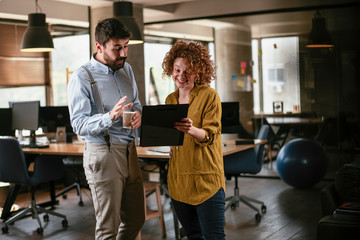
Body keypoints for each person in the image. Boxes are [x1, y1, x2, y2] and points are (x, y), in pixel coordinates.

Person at [67, 18, 145, 240]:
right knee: (108, 228)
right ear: (99, 47)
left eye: (126, 46)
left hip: (130, 150)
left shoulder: (126, 69)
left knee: (136, 219)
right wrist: (109, 117)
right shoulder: (82, 77)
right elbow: (79, 124)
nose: (123, 54)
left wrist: (137, 114)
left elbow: (136, 102)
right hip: (103, 152)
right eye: (117, 48)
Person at [162, 40, 226, 239]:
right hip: (179, 181)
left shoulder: (209, 96)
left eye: (187, 71)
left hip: (206, 180)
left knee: (214, 237)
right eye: (177, 70)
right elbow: (174, 137)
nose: (181, 76)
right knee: (192, 235)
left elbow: (210, 134)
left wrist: (191, 130)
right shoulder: (170, 100)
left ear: (198, 72)